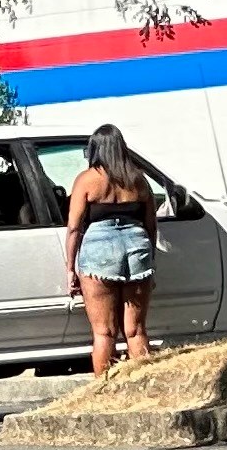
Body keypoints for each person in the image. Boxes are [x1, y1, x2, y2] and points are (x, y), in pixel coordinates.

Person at [63, 124, 158, 375]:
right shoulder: (138, 179)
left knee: (104, 332)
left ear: (95, 149)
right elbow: (151, 225)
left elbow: (74, 228)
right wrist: (150, 262)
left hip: (99, 253)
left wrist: (71, 268)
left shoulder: (86, 180)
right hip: (137, 248)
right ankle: (143, 386)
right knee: (136, 330)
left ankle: (104, 390)